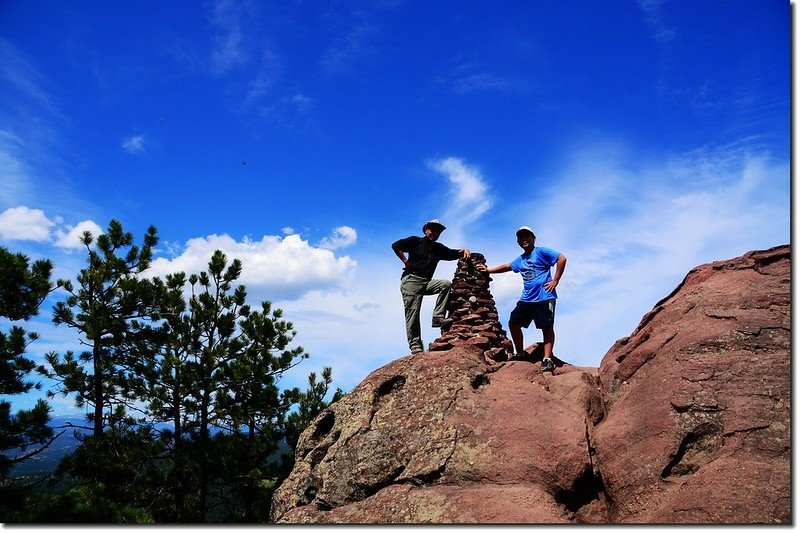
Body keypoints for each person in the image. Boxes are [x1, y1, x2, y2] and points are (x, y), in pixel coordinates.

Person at [477, 226, 566, 372]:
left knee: (546, 326)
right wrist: (488, 270)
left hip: (544, 296)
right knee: (514, 322)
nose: (524, 239)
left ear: (533, 238)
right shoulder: (521, 259)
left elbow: (561, 258)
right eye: (521, 237)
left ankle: (547, 359)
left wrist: (555, 280)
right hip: (527, 298)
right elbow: (507, 266)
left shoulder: (541, 251)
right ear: (518, 242)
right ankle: (520, 353)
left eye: (527, 236)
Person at [392, 220, 471, 353]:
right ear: (426, 230)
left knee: (445, 284)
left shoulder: (437, 248)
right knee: (413, 313)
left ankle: (438, 317)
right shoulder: (415, 241)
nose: (435, 233)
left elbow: (452, 253)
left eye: (438, 231)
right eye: (432, 229)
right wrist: (406, 261)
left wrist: (464, 250)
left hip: (426, 282)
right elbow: (395, 245)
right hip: (411, 280)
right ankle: (415, 345)